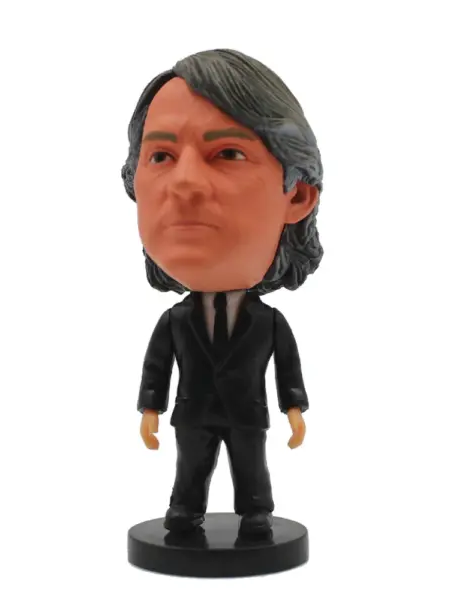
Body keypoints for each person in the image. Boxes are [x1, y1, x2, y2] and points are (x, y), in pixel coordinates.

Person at [121, 48, 324, 537]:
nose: (185, 183)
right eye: (160, 156)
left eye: (228, 153)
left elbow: (287, 368)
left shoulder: (268, 323)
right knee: (190, 468)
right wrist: (150, 407)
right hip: (192, 414)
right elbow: (158, 367)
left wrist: (294, 407)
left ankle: (256, 513)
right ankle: (183, 511)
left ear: (296, 194)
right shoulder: (175, 322)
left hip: (248, 415)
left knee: (251, 467)